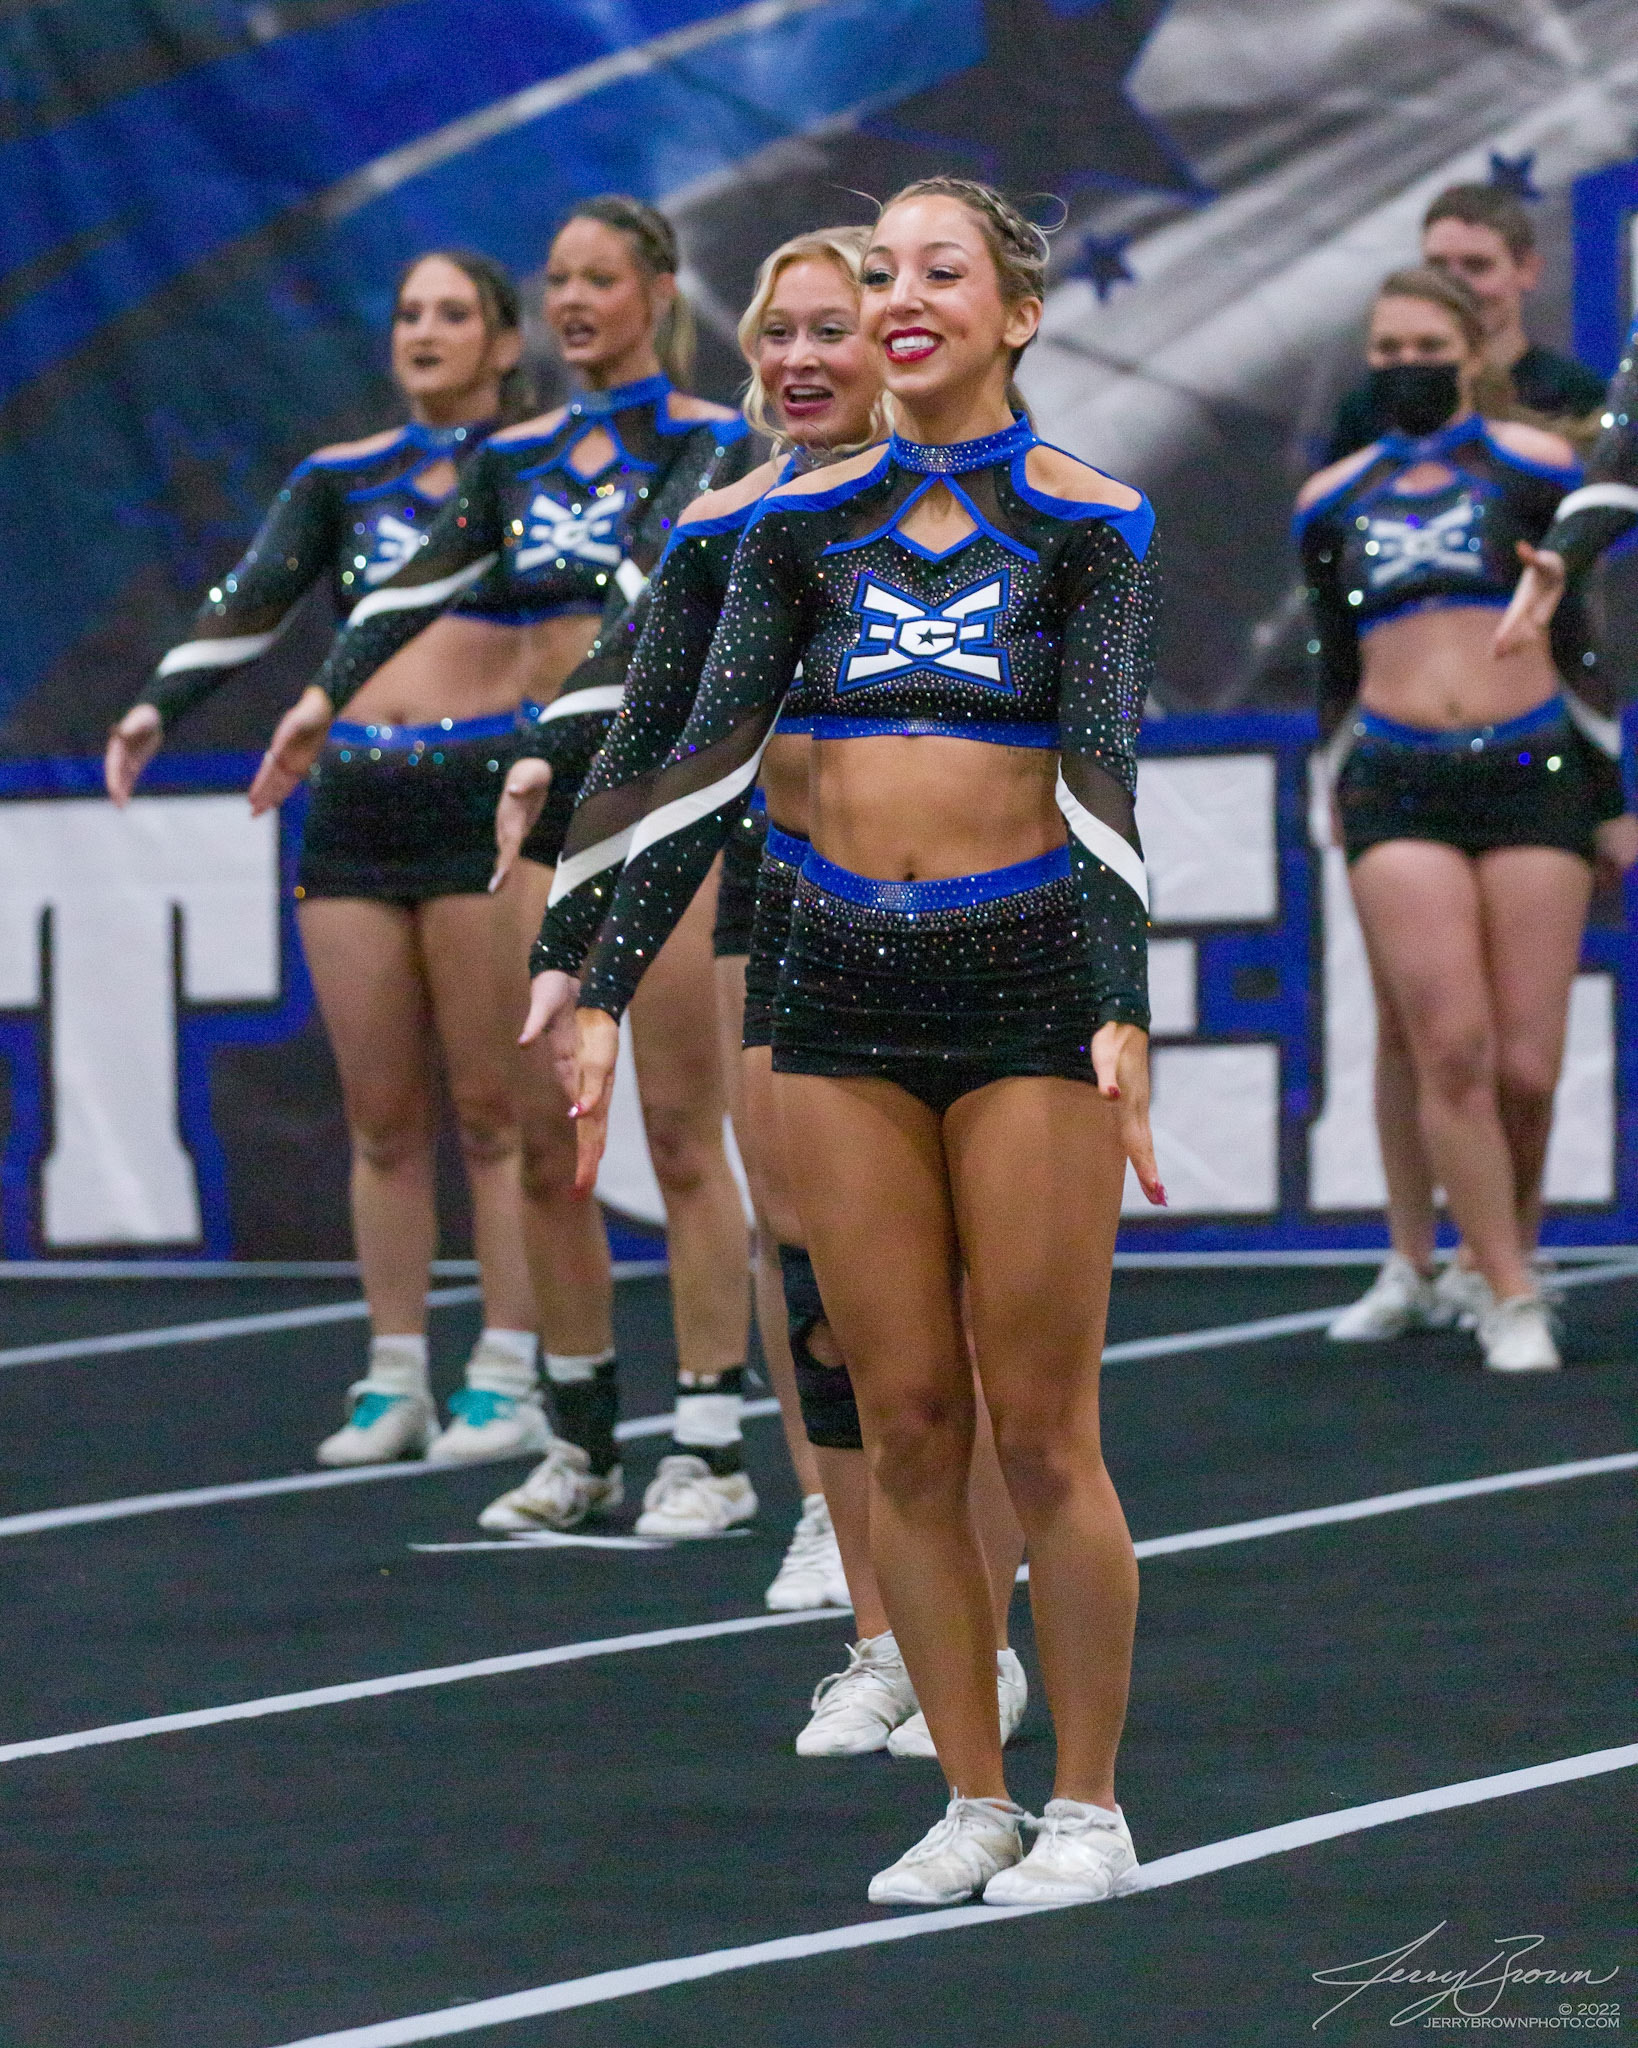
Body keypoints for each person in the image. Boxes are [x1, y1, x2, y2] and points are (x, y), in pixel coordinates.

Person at [546, 176, 1164, 1905]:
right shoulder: (793, 524)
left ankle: (1089, 1808)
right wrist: (594, 979)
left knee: (1037, 1424)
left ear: (1014, 314)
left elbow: (1102, 779)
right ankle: (970, 1795)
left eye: (936, 272)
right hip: (832, 986)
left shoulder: (1091, 518)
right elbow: (696, 762)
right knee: (899, 1417)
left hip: (1024, 983)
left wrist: (1119, 1001)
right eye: (879, 270)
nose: (899, 297)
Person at [524, 223, 1030, 1757]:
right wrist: (554, 798)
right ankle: (877, 1622)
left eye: (832, 326)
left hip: (976, 925)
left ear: (897, 343)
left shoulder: (973, 500)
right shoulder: (734, 516)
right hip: (783, 899)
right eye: (779, 332)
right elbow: (631, 680)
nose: (802, 357)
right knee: (815, 1273)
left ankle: (981, 1627)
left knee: (961, 1307)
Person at [248, 200, 759, 1510]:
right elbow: (409, 588)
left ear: (657, 291)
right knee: (546, 1137)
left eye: (601, 279)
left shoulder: (714, 439)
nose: (576, 301)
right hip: (539, 799)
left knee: (681, 1135)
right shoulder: (515, 456)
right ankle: (579, 1438)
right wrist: (319, 698)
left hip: (662, 791)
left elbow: (652, 588)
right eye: (560, 280)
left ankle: (708, 1440)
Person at [107, 250, 546, 1467]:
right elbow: (251, 596)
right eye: (408, 312)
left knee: (492, 1111)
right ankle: (393, 1372)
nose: (424, 331)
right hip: (355, 797)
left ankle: (509, 1368)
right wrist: (156, 705)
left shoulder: (536, 470)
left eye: (453, 313)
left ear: (505, 342)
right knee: (382, 1117)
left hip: (481, 792)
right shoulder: (341, 479)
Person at [1299, 267, 1633, 1370]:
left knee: (1528, 1070)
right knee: (1450, 1045)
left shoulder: (1535, 466)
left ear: (1471, 352)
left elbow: (1584, 639)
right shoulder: (1331, 495)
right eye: (1387, 349)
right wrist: (1329, 781)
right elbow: (1332, 659)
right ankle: (1508, 1290)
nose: (1406, 365)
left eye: (1426, 346)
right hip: (1396, 779)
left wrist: (1612, 800)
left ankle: (1505, 1257)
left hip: (1534, 767)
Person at [1325, 184, 1606, 464]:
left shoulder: (1579, 396)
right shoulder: (1369, 409)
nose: (1455, 283)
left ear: (1527, 270)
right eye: (1437, 266)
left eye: (1477, 265)